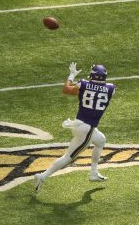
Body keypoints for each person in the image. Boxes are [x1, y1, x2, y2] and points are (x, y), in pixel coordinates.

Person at [34, 62, 114, 191]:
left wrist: (71, 75)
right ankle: (42, 176)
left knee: (100, 140)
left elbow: (66, 90)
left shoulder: (83, 84)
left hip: (80, 124)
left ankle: (93, 173)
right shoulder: (111, 88)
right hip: (87, 128)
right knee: (68, 157)